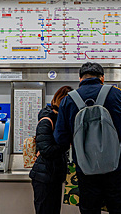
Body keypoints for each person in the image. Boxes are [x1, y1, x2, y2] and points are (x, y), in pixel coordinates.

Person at [54, 62, 121, 214]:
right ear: (102, 78)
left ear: (80, 79)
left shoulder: (68, 100)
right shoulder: (117, 94)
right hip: (116, 168)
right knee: (119, 209)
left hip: (85, 171)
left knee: (89, 210)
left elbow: (61, 139)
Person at [29, 86, 73, 214]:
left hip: (53, 176)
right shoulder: (47, 120)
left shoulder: (59, 119)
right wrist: (66, 144)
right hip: (44, 177)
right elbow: (46, 150)